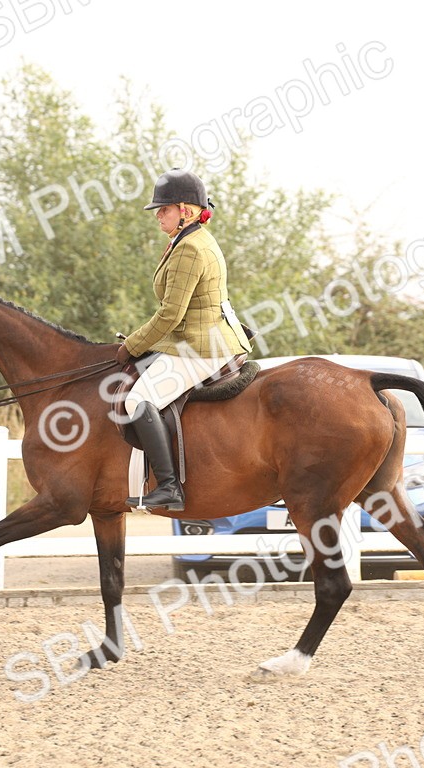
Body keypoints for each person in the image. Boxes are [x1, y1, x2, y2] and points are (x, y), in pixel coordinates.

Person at [116, 168, 252, 511]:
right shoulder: (189, 240)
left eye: (164, 209)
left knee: (138, 400)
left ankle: (169, 487)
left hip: (201, 347)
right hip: (198, 338)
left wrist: (131, 345)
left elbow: (170, 315)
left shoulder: (190, 248)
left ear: (187, 211)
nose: (158, 215)